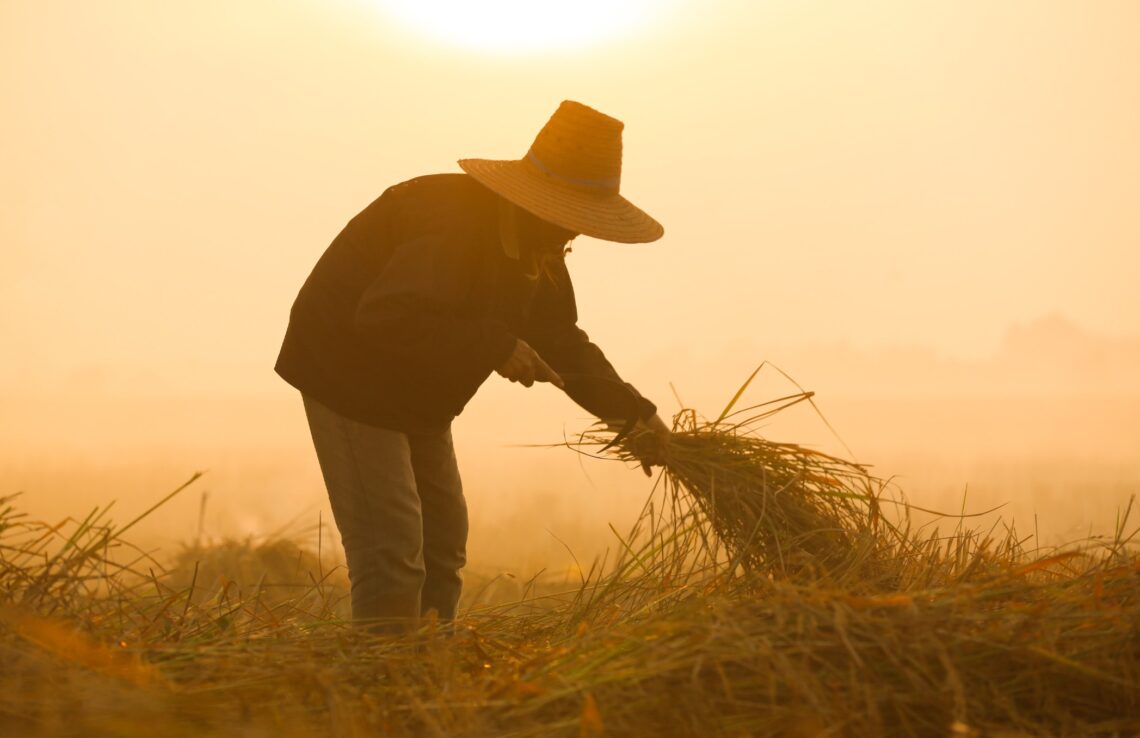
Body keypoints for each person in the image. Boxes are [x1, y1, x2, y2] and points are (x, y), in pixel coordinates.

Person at [274, 100, 670, 631]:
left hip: (422, 384)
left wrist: (633, 415)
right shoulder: (450, 223)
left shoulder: (540, 247)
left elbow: (560, 340)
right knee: (392, 548)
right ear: (538, 202)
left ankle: (430, 672)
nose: (572, 236)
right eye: (569, 218)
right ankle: (379, 687)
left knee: (442, 546)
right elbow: (389, 312)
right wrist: (494, 346)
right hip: (348, 370)